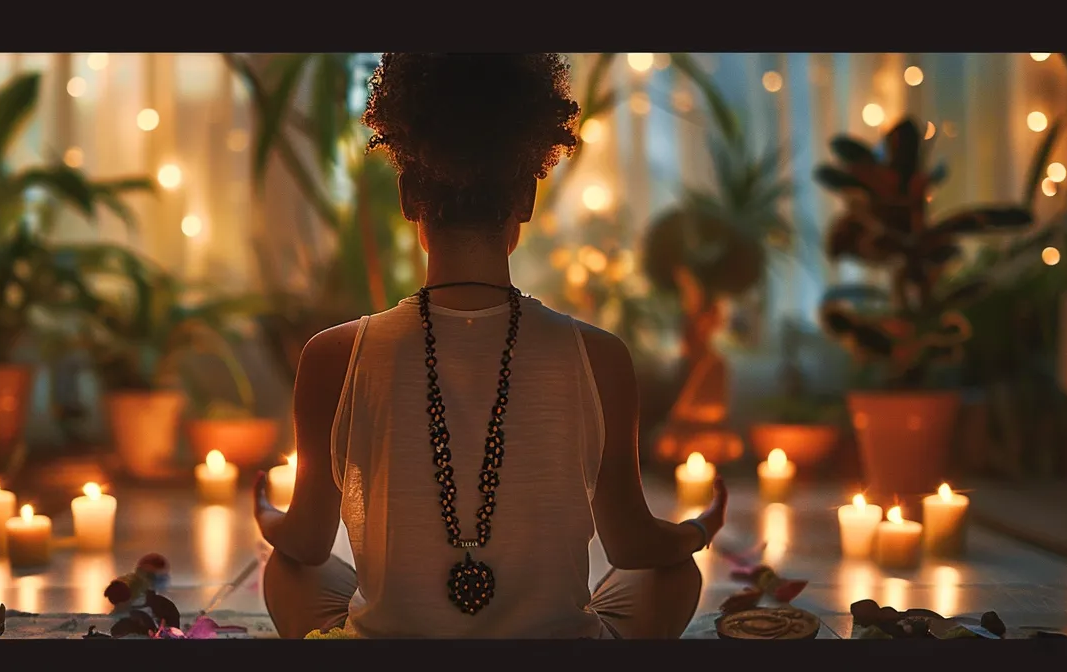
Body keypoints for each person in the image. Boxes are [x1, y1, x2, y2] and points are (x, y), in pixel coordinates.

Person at [252, 53, 728, 640]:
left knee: (290, 571)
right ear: (527, 197)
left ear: (407, 197)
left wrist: (267, 516)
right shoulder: (599, 356)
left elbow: (305, 541)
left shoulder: (333, 354)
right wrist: (700, 529)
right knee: (673, 574)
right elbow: (633, 546)